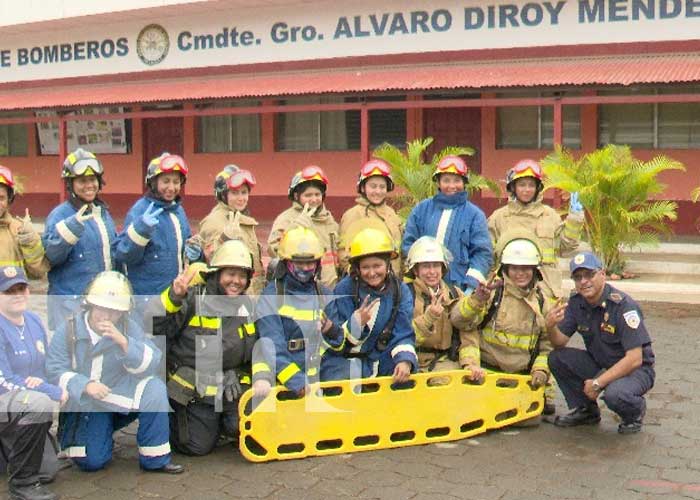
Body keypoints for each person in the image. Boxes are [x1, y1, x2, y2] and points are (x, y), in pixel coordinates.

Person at [45, 271, 184, 473]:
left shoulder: (128, 327)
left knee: (154, 388)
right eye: (102, 308)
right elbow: (54, 369)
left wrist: (125, 343)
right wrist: (84, 385)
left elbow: (152, 361)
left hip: (118, 392)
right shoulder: (69, 329)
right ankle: (96, 433)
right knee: (92, 462)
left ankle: (155, 459)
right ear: (90, 304)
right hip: (88, 403)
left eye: (115, 311)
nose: (107, 316)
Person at [154, 240, 273, 456]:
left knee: (243, 429)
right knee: (196, 446)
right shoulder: (192, 298)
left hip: (230, 384)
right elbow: (155, 327)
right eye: (230, 274)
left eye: (242, 275)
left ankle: (221, 424)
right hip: (194, 390)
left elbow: (259, 346)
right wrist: (174, 297)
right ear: (217, 274)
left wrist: (261, 376)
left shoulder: (246, 306)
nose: (236, 281)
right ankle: (171, 419)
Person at [545, 252, 655, 434]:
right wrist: (550, 326)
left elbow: (635, 359)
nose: (584, 281)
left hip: (635, 371)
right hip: (602, 364)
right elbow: (559, 343)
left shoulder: (623, 306)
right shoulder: (577, 303)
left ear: (602, 274)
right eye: (578, 277)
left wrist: (598, 383)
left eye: (589, 275)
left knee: (615, 395)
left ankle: (634, 412)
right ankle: (587, 410)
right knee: (557, 358)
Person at [450, 235, 555, 420]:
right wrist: (477, 300)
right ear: (505, 269)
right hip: (486, 375)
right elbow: (459, 321)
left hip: (521, 379)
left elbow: (548, 346)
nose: (520, 273)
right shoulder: (491, 294)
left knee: (527, 421)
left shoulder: (542, 302)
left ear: (534, 270)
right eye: (514, 268)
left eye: (525, 268)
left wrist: (540, 371)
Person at [256, 227, 344, 396]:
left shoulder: (324, 294)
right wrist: (295, 380)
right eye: (299, 263)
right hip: (287, 383)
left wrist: (332, 331)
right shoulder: (271, 296)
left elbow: (339, 346)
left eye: (310, 263)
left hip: (320, 377)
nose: (305, 268)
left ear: (318, 264)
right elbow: (272, 346)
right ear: (286, 263)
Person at [323, 228, 417, 383]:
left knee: (405, 375)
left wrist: (404, 360)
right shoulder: (344, 290)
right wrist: (356, 324)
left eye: (377, 265)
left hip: (381, 358)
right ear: (357, 269)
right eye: (365, 267)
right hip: (344, 360)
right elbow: (337, 343)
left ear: (387, 264)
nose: (372, 273)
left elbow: (403, 333)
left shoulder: (400, 291)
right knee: (337, 378)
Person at [0, 266, 62, 500]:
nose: (17, 295)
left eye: (21, 288)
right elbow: (4, 381)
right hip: (6, 399)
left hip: (16, 403)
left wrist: (55, 382)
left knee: (47, 471)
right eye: (8, 291)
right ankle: (22, 485)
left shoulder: (33, 320)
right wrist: (49, 390)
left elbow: (44, 367)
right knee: (38, 403)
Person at [43, 148, 117, 331]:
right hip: (69, 307)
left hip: (100, 304)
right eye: (82, 181)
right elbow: (52, 257)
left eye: (93, 180)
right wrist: (71, 229)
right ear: (70, 184)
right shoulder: (59, 215)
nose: (89, 185)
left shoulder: (103, 214)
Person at [488, 159, 584, 296]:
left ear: (538, 188)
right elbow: (488, 256)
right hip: (508, 291)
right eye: (522, 185)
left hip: (545, 288)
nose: (527, 190)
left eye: (531, 185)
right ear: (513, 187)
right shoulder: (499, 218)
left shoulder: (550, 216)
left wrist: (575, 218)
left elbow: (567, 246)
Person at [402, 155, 492, 293]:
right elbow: (409, 245)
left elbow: (482, 254)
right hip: (422, 290)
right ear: (438, 182)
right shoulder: (421, 210)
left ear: (464, 183)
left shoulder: (475, 215)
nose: (451, 186)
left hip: (459, 289)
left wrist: (470, 287)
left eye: (457, 181)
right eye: (446, 180)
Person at [114, 152, 193, 298]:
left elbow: (186, 244)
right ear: (153, 183)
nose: (171, 187)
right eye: (166, 181)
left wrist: (194, 251)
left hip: (173, 294)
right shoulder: (140, 210)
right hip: (147, 297)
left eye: (176, 182)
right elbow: (124, 255)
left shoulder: (178, 210)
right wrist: (140, 232)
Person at [404, 237, 468, 377]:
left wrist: (470, 364)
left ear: (443, 268)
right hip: (411, 364)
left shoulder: (455, 294)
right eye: (426, 266)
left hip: (447, 364)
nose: (432, 271)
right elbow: (401, 338)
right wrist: (428, 318)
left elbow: (468, 333)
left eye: (436, 265)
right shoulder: (405, 294)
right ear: (415, 270)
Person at [268, 166, 340, 288]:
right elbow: (273, 249)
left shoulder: (328, 220)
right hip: (303, 289)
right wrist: (293, 229)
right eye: (308, 195)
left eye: (317, 194)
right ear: (296, 196)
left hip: (330, 289)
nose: (314, 199)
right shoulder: (287, 219)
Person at [198, 165, 265, 295]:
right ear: (222, 195)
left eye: (244, 192)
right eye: (234, 193)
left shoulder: (240, 218)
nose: (241, 198)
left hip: (250, 296)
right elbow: (211, 261)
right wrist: (224, 239)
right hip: (231, 297)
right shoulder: (215, 222)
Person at [339, 159, 403, 276]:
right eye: (373, 186)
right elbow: (344, 253)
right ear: (363, 188)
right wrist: (355, 274)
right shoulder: (353, 215)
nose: (378, 191)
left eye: (382, 187)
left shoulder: (392, 214)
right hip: (366, 281)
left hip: (393, 282)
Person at [0, 165, 48, 280]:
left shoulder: (19, 230)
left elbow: (38, 273)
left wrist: (30, 242)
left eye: (1, 198)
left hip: (13, 297)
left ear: (9, 199)